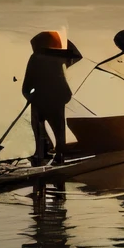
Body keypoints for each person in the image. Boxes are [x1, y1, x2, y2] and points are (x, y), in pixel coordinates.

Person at [22, 30, 82, 165]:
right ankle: (53, 154)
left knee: (42, 126)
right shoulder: (58, 57)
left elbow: (26, 85)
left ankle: (43, 153)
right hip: (54, 97)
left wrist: (29, 96)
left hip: (45, 98)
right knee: (57, 128)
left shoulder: (38, 57)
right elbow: (77, 55)